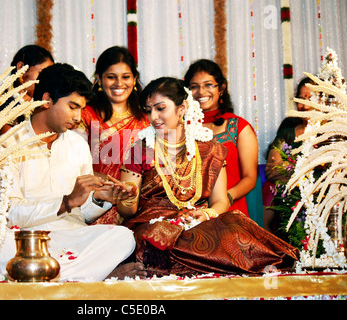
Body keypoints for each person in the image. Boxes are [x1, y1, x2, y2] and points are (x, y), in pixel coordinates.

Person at [111, 77, 298, 277]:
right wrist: (127, 196)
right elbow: (128, 211)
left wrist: (207, 214)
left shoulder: (211, 150)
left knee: (238, 236)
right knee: (164, 241)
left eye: (160, 108)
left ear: (182, 108)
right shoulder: (139, 150)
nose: (153, 116)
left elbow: (219, 201)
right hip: (152, 225)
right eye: (148, 110)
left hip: (199, 222)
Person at [0, 63, 144, 282]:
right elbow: (10, 213)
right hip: (26, 239)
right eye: (72, 106)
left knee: (123, 237)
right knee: (1, 249)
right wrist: (66, 202)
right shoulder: (6, 145)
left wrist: (100, 199)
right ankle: (97, 276)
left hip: (72, 236)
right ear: (47, 100)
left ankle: (45, 277)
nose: (79, 117)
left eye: (81, 108)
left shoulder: (77, 145)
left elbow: (82, 213)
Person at [75, 46, 149, 225]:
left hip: (140, 203)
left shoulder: (147, 116)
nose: (119, 84)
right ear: (99, 78)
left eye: (125, 77)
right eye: (111, 77)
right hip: (97, 201)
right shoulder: (84, 115)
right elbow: (76, 165)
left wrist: (130, 189)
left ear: (135, 79)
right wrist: (113, 185)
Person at [184, 59, 258, 217]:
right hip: (191, 213)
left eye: (208, 85)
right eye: (194, 86)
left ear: (221, 89)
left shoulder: (238, 127)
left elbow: (250, 178)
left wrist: (225, 199)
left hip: (230, 210)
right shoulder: (182, 127)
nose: (201, 92)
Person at [262, 77, 314, 233]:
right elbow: (272, 167)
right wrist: (300, 172)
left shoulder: (331, 133)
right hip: (286, 191)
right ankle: (268, 244)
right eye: (301, 99)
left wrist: (290, 171)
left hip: (316, 191)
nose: (303, 105)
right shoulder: (288, 131)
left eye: (310, 98)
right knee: (269, 187)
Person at [0, 45, 54, 136]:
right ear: (21, 68)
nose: (46, 80)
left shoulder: (44, 102)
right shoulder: (5, 107)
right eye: (42, 73)